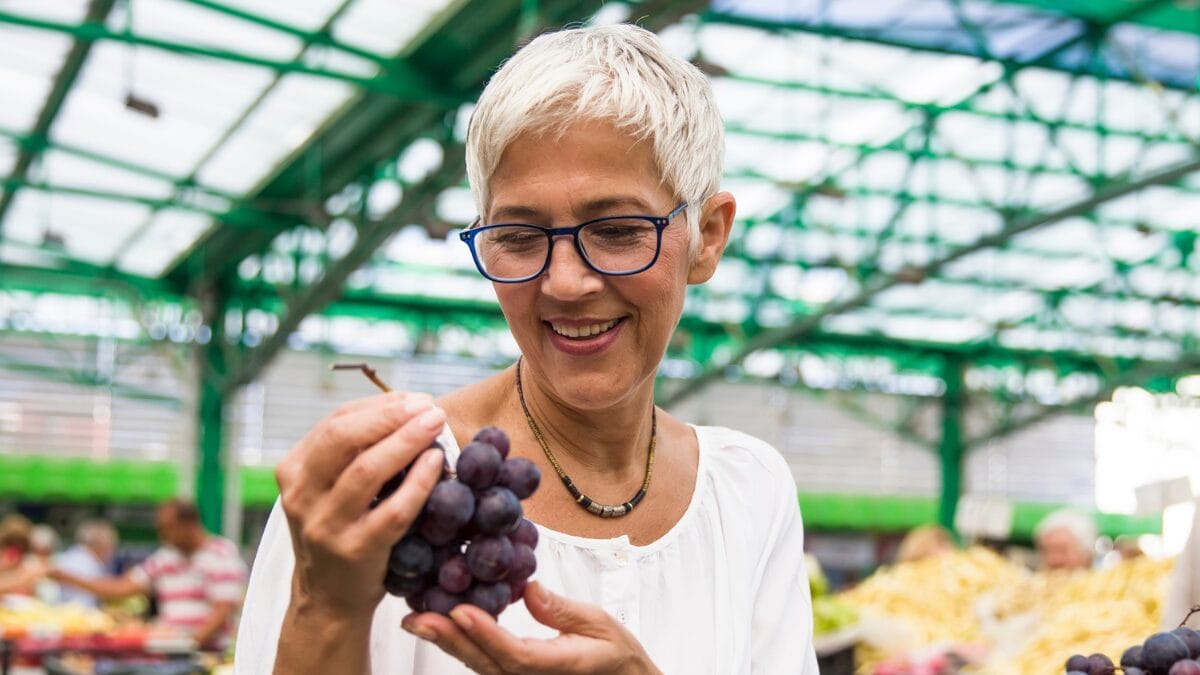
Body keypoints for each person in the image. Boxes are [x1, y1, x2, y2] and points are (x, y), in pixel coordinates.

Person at [235, 23, 818, 675]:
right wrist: (325, 605)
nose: (565, 282)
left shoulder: (747, 491)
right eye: (517, 235)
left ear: (707, 236)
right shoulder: (381, 487)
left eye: (619, 229)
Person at [51, 500, 247, 649]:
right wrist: (65, 577)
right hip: (170, 648)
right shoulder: (167, 557)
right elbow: (121, 587)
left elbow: (222, 611)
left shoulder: (221, 554)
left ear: (189, 524)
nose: (164, 535)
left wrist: (189, 644)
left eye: (168, 528)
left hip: (207, 653)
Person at [54, 519, 119, 608]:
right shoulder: (89, 563)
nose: (112, 553)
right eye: (111, 547)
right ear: (101, 545)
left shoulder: (72, 555)